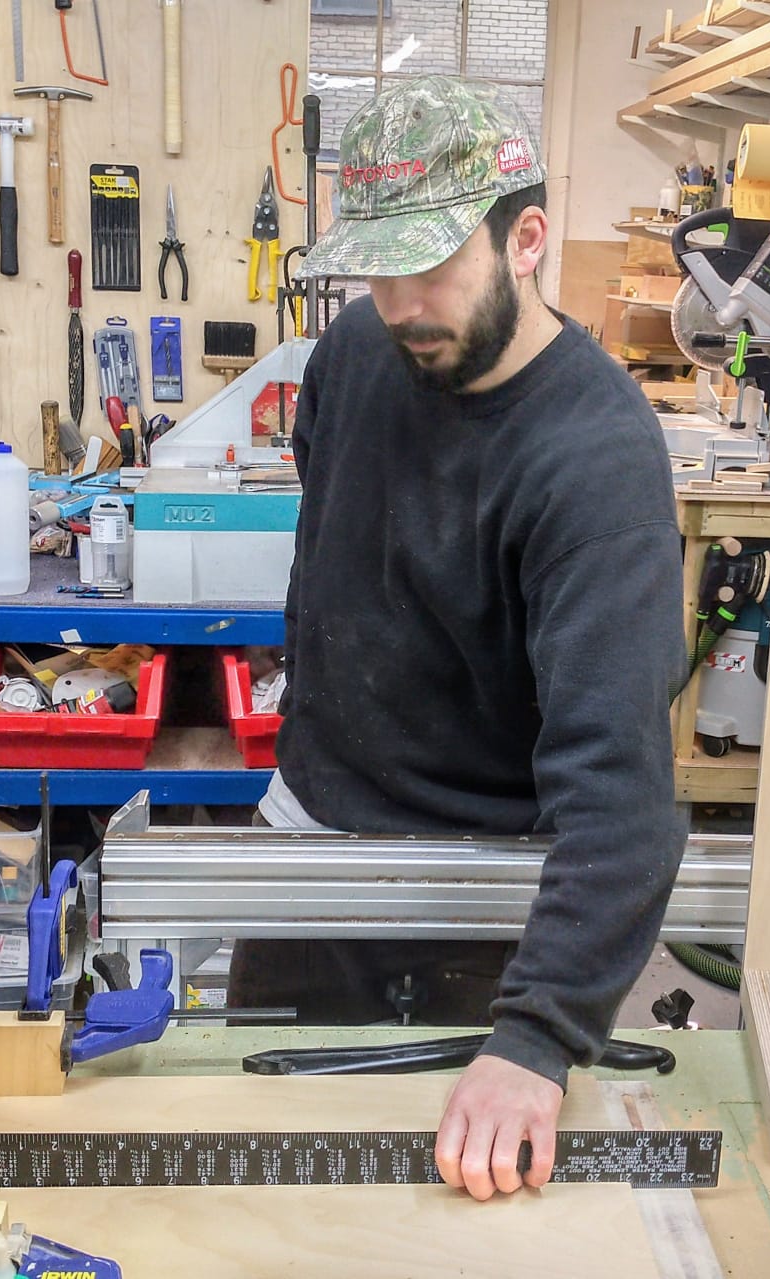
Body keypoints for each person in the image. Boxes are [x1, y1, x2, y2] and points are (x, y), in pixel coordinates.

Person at [227, 75, 687, 1201]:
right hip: (310, 829)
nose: (398, 303)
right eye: (378, 268)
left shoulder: (596, 460)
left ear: (526, 240)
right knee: (246, 1149)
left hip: (482, 882)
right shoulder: (353, 350)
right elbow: (332, 541)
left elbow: (619, 783)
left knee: (450, 1206)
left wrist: (539, 1032)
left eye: (430, 265)